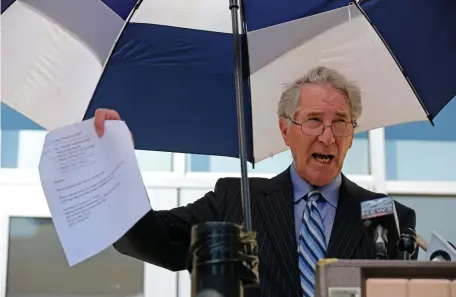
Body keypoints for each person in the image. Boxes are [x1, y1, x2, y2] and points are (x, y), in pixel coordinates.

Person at [93, 66, 418, 297]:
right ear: (285, 130)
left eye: (340, 123)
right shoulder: (235, 199)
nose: (328, 136)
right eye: (314, 120)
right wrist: (117, 167)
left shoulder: (385, 216)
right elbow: (155, 240)